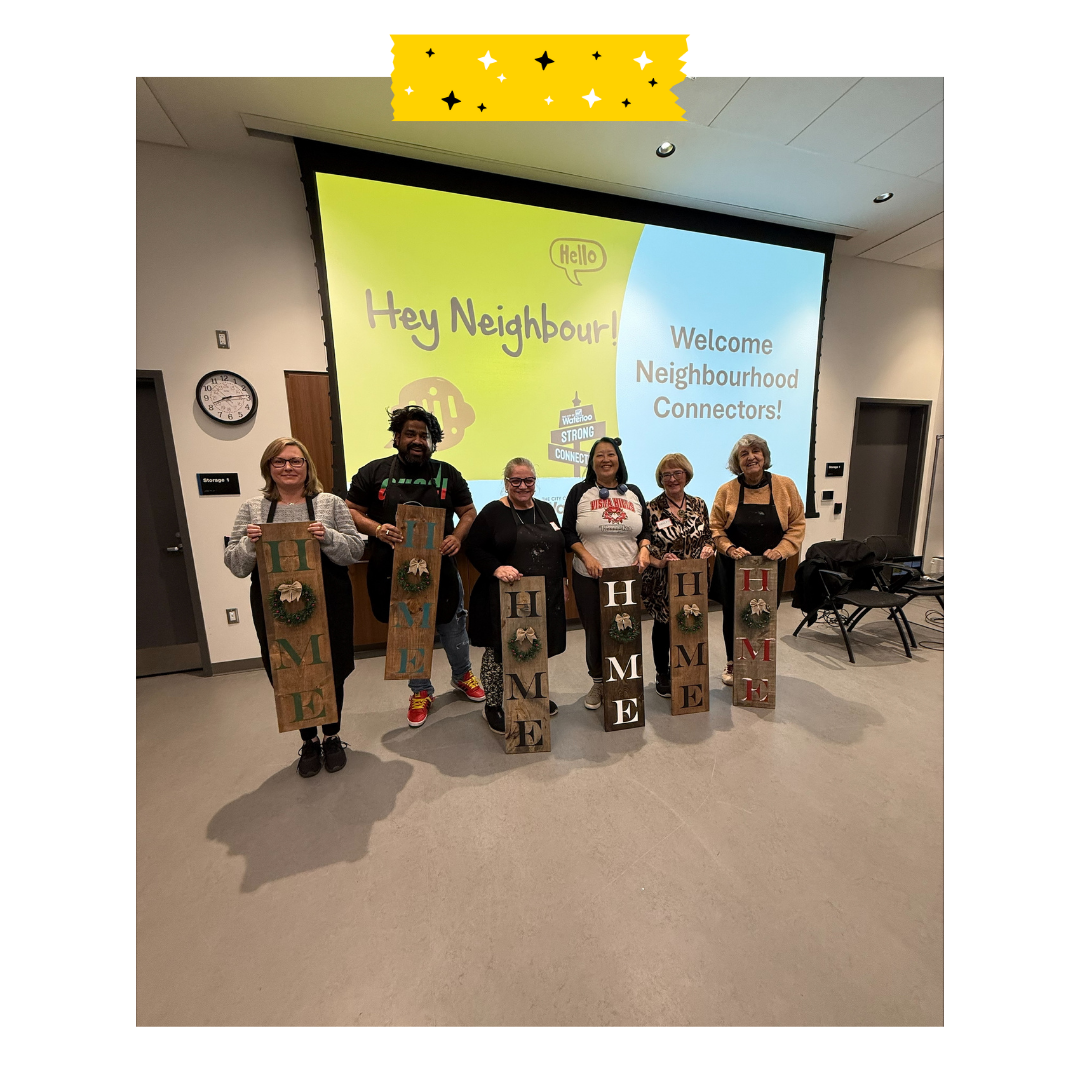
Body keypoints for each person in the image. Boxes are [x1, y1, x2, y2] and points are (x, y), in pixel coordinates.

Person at [225, 437, 366, 777]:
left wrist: (329, 537)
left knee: (330, 666)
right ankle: (309, 742)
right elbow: (235, 563)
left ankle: (332, 737)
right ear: (268, 468)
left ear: (307, 467)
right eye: (279, 461)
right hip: (276, 605)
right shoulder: (252, 508)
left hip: (330, 599)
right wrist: (249, 542)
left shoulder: (330, 503)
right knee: (289, 667)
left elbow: (355, 551)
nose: (288, 467)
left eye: (295, 461)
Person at [345, 405, 484, 728]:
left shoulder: (447, 473)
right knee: (411, 632)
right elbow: (350, 510)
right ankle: (421, 691)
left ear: (434, 442)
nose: (418, 440)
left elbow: (468, 512)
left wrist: (456, 537)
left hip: (442, 567)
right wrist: (376, 529)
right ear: (397, 438)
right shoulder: (373, 472)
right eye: (411, 434)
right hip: (395, 569)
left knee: (453, 627)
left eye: (425, 435)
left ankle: (462, 675)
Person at [465, 458, 567, 733]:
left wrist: (564, 580)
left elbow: (558, 548)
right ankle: (494, 705)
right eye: (516, 481)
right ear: (506, 482)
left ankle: (532, 695)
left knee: (535, 647)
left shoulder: (545, 509)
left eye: (528, 481)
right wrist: (496, 567)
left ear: (535, 482)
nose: (523, 486)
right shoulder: (492, 512)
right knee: (499, 652)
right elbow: (473, 548)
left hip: (544, 596)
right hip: (502, 596)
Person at [562, 437, 652, 710]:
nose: (605, 460)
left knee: (625, 629)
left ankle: (624, 682)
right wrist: (586, 556)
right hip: (590, 577)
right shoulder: (580, 491)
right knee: (596, 631)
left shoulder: (633, 492)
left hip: (627, 576)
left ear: (618, 460)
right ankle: (599, 682)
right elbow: (567, 532)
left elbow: (645, 530)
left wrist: (645, 549)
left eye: (610, 454)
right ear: (591, 462)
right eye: (599, 455)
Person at [709, 434, 805, 685]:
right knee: (732, 615)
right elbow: (716, 528)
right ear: (737, 462)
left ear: (764, 456)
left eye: (756, 452)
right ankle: (732, 663)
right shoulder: (726, 491)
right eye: (744, 454)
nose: (751, 457)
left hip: (769, 568)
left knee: (762, 615)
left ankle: (758, 663)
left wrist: (782, 549)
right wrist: (728, 548)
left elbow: (797, 525)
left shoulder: (785, 486)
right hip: (732, 566)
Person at [640, 453, 715, 698]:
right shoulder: (651, 508)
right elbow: (644, 542)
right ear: (660, 479)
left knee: (691, 623)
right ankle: (663, 673)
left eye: (677, 473)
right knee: (663, 627)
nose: (672, 479)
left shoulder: (699, 504)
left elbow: (708, 535)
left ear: (686, 475)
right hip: (663, 580)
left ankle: (689, 668)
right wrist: (660, 559)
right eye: (667, 475)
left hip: (694, 580)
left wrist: (709, 547)